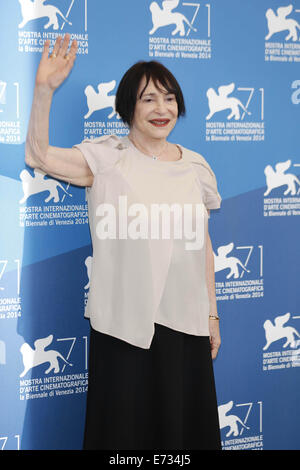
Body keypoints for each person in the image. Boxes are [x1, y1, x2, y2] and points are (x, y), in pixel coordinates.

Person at [25, 33, 222, 450]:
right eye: (149, 98)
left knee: (182, 441)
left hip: (186, 329)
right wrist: (43, 92)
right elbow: (39, 155)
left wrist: (212, 316)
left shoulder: (196, 168)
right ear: (128, 106)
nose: (161, 108)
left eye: (169, 98)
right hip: (125, 331)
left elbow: (201, 244)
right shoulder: (107, 159)